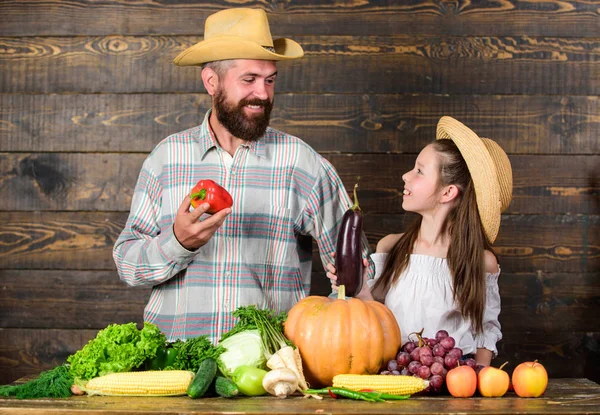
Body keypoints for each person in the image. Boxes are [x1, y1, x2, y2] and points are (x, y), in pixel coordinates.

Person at [113, 8, 371, 343]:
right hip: (175, 367)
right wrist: (176, 242)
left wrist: (351, 277)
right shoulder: (166, 159)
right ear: (211, 82)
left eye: (270, 80)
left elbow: (356, 269)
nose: (263, 94)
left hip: (269, 374)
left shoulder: (302, 163)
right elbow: (128, 266)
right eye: (248, 80)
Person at [327, 116, 513, 366]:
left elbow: (484, 334)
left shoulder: (480, 262)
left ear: (448, 192)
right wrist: (359, 290)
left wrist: (479, 386)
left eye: (419, 171)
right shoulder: (391, 248)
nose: (406, 176)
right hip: (395, 379)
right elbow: (377, 324)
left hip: (453, 386)